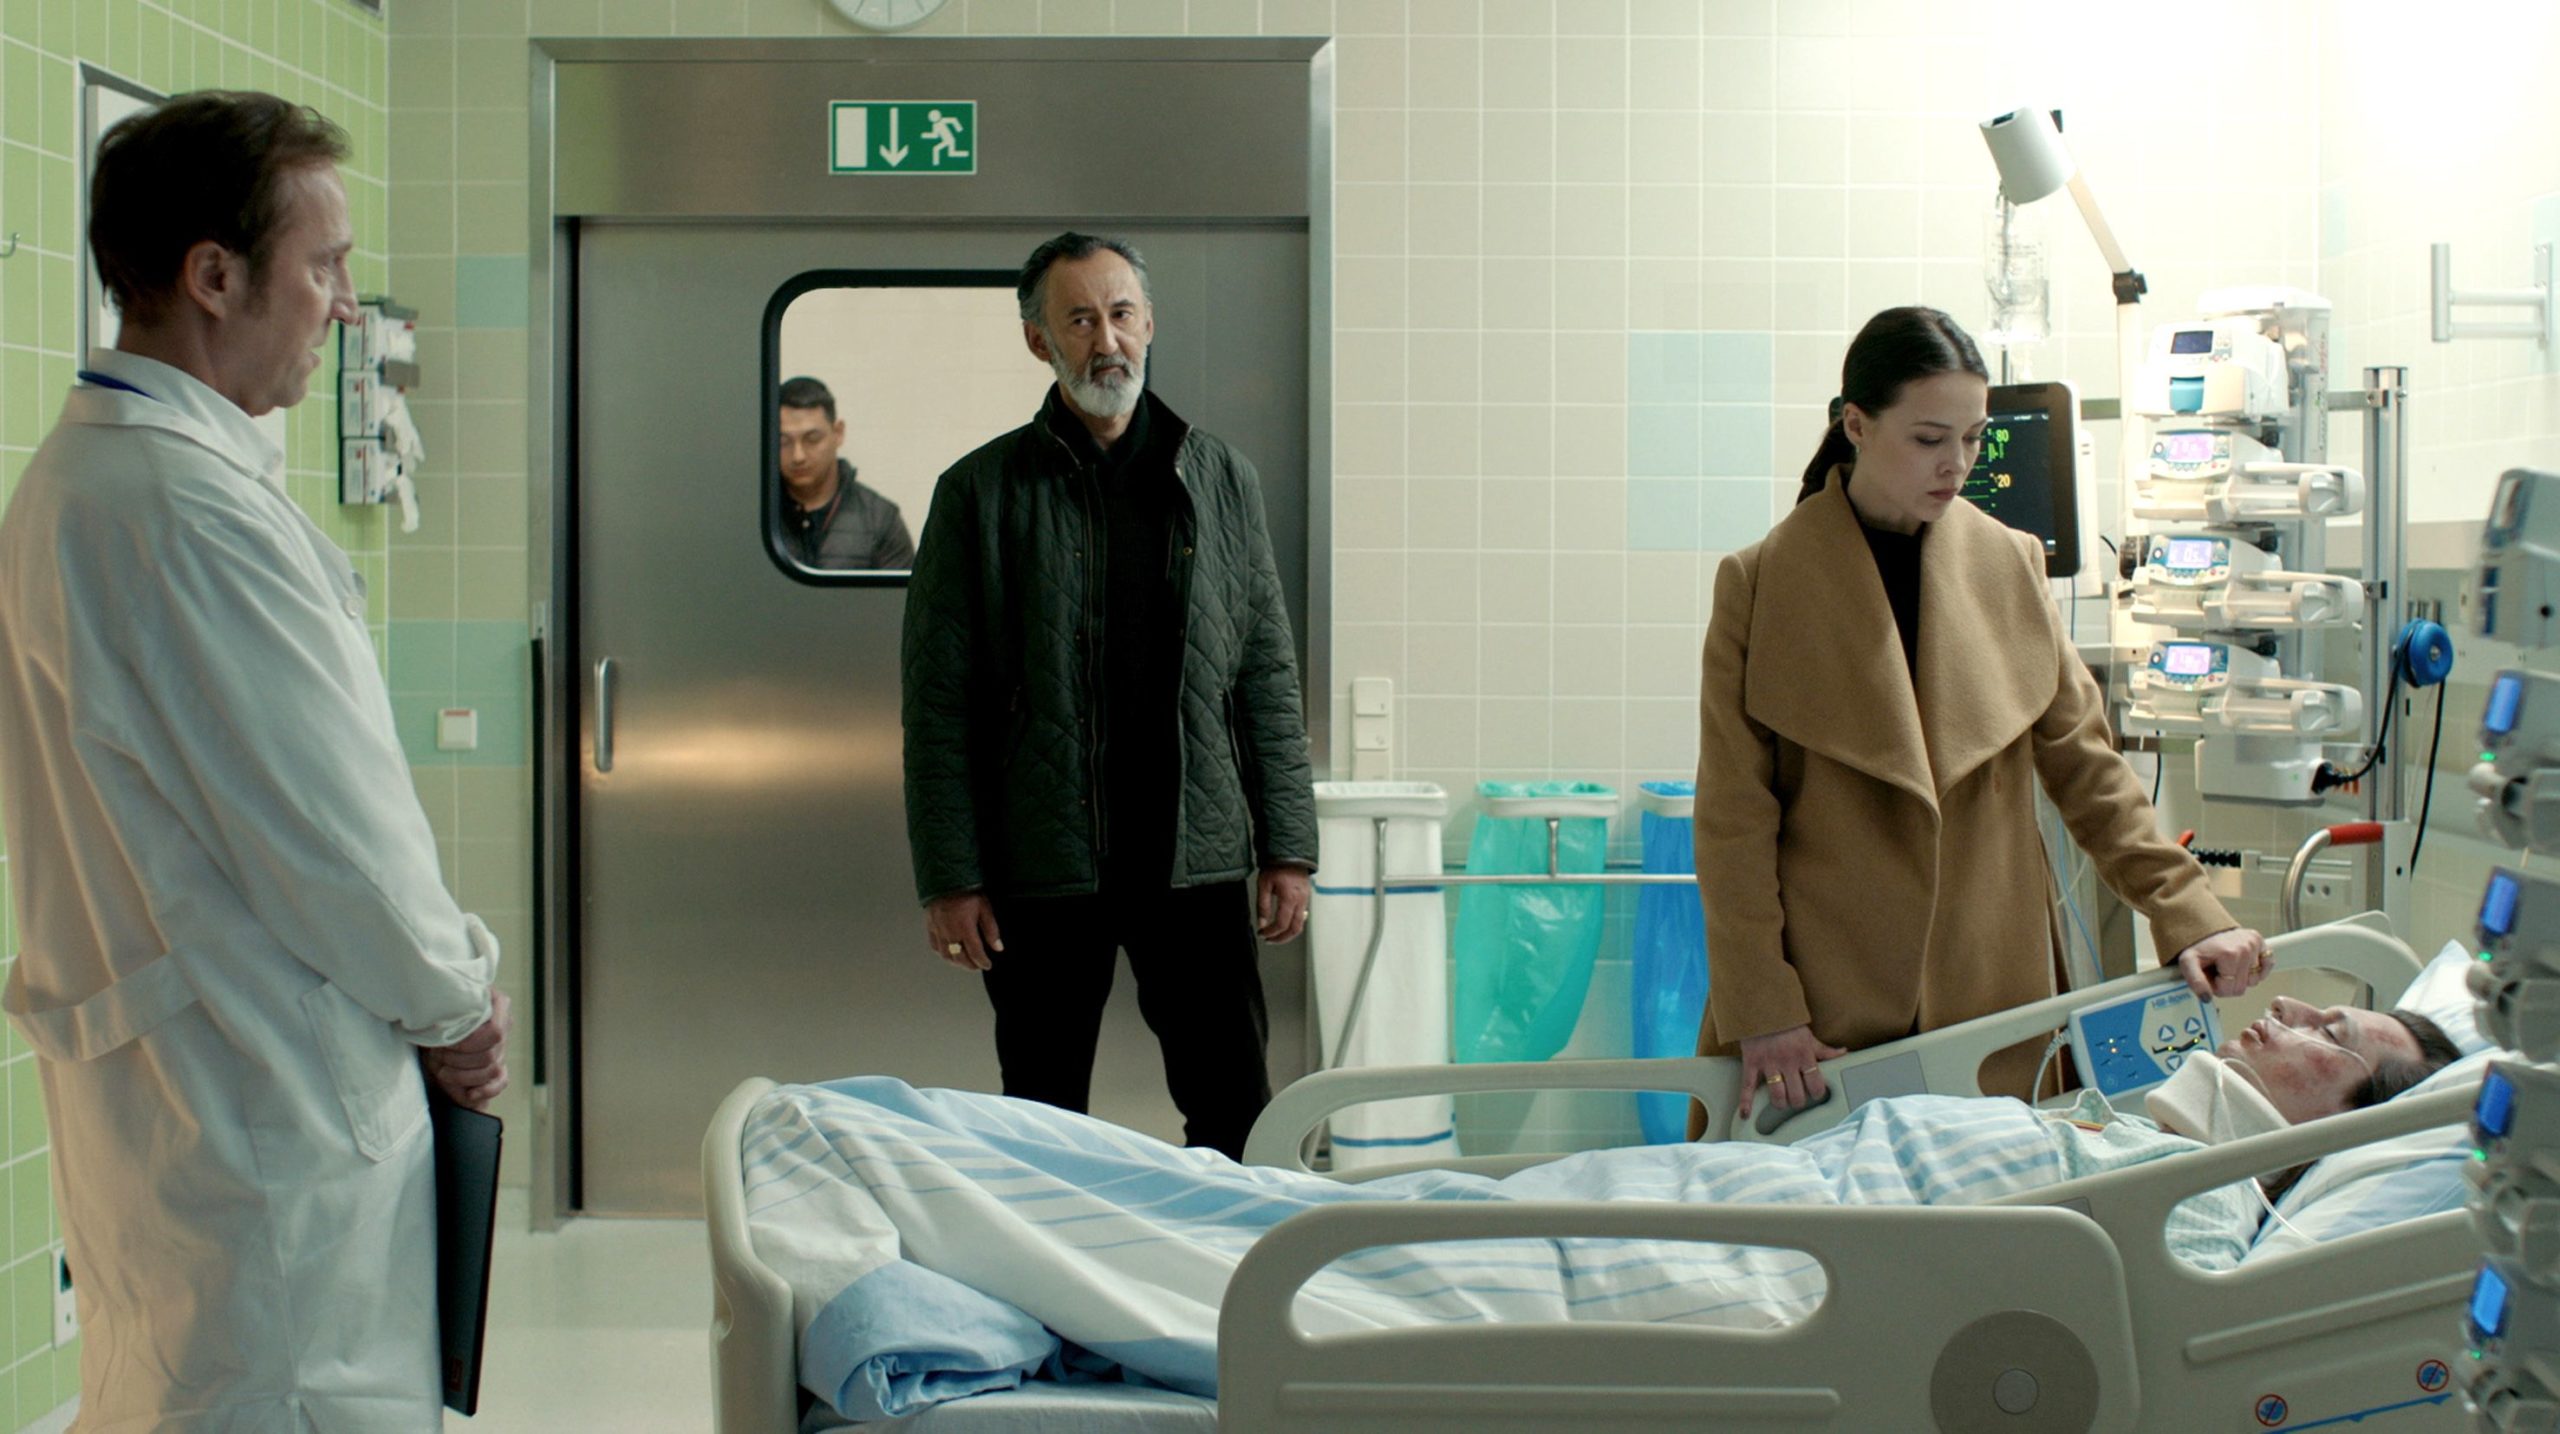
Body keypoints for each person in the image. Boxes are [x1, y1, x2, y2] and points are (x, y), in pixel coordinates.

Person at [748, 990, 2463, 1421]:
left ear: (2339, 1124)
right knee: (1242, 1206)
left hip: (1736, 1281)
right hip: (1718, 1194)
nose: (2302, 1011)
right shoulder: (2119, 1115)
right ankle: (915, 1202)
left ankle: (922, 1271)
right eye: (2326, 1000)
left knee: (1302, 1259)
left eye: (2346, 1038)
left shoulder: (2193, 1218)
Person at [0, 91, 509, 1429]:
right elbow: (336, 839)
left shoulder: (82, 481)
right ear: (214, 277)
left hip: (183, 1099)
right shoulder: (185, 511)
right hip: (264, 1101)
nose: (342, 304)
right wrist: (456, 1005)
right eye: (323, 266)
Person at [1694, 306, 2270, 1129]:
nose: (1957, 464)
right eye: (1930, 439)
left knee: (2001, 1202)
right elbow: (1733, 822)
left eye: (1973, 438)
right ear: (1856, 425)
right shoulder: (1760, 584)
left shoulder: (2010, 562)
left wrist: (2187, 914)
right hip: (1821, 1008)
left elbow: (2090, 772)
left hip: (1992, 992)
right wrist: (1763, 1005)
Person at [900, 231, 1317, 1160]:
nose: (1107, 341)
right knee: (1042, 1119)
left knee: (1233, 1108)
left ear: (1150, 323)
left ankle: (1236, 1257)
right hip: (1044, 863)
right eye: (1080, 320)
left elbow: (1266, 673)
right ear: (1039, 341)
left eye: (1122, 314)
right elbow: (938, 703)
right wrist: (951, 877)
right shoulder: (979, 494)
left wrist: (1288, 846)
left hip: (1195, 856)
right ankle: (1053, 1259)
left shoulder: (1221, 479)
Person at [777, 373, 915, 569]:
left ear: (838, 433)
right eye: (784, 442)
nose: (798, 456)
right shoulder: (756, 515)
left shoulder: (880, 519)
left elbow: (905, 589)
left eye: (812, 439)